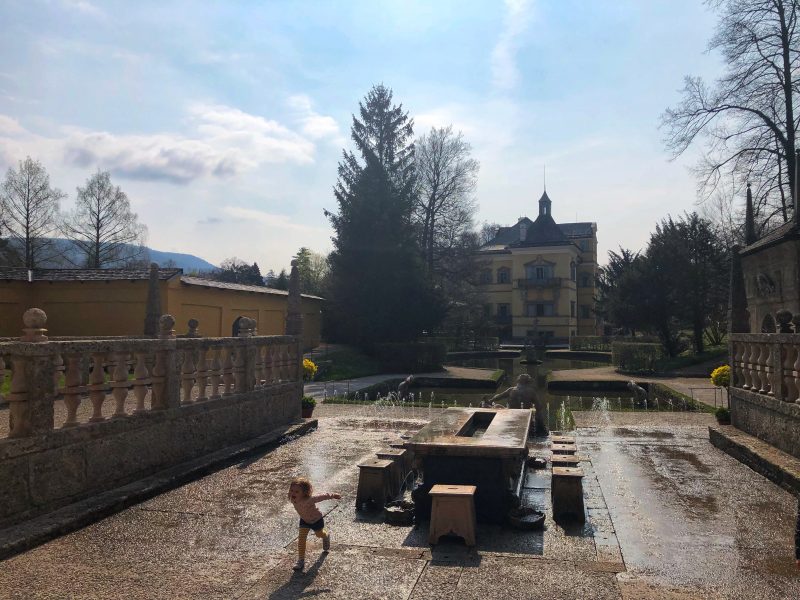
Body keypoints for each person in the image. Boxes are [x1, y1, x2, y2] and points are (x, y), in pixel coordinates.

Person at [287, 477, 341, 572]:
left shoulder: (309, 499)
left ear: (304, 493)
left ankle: (326, 536)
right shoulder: (293, 499)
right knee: (301, 539)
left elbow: (321, 497)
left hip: (316, 520)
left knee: (319, 534)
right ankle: (301, 560)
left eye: (296, 491)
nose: (293, 493)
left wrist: (332, 495)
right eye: (291, 490)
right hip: (304, 521)